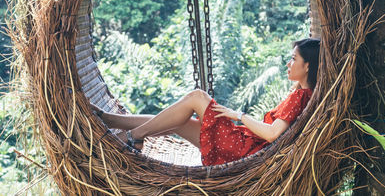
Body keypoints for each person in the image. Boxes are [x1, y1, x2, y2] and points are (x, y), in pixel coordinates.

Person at [92, 38, 320, 166]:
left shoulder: (300, 96)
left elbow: (272, 134)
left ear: (308, 65)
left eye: (293, 59)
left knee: (197, 97)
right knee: (179, 120)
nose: (288, 64)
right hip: (242, 144)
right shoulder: (301, 93)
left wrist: (237, 115)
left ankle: (133, 137)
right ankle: (110, 119)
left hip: (242, 150)